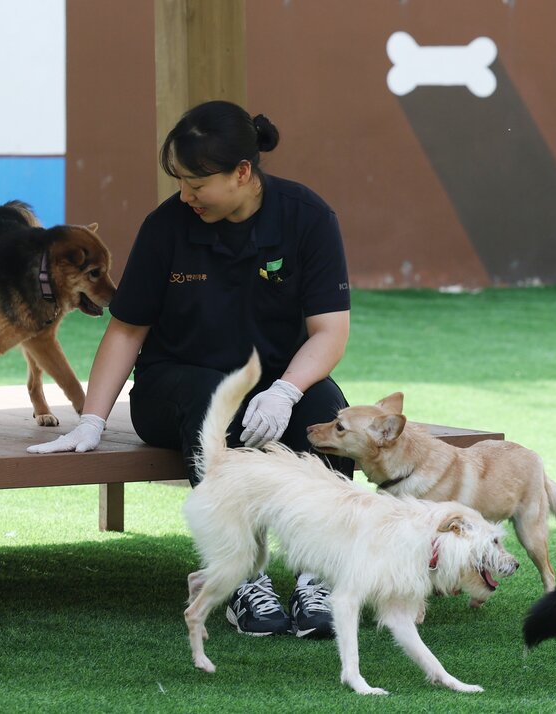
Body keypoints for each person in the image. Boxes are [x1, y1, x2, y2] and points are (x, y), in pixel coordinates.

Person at [29, 100, 354, 640]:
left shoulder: (308, 218)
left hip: (272, 386)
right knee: (212, 397)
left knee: (324, 409)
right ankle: (240, 574)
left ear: (242, 173)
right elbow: (126, 330)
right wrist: (90, 420)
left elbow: (329, 331)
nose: (185, 195)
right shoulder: (167, 228)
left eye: (195, 182)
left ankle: (317, 574)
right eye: (178, 181)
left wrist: (287, 392)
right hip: (175, 387)